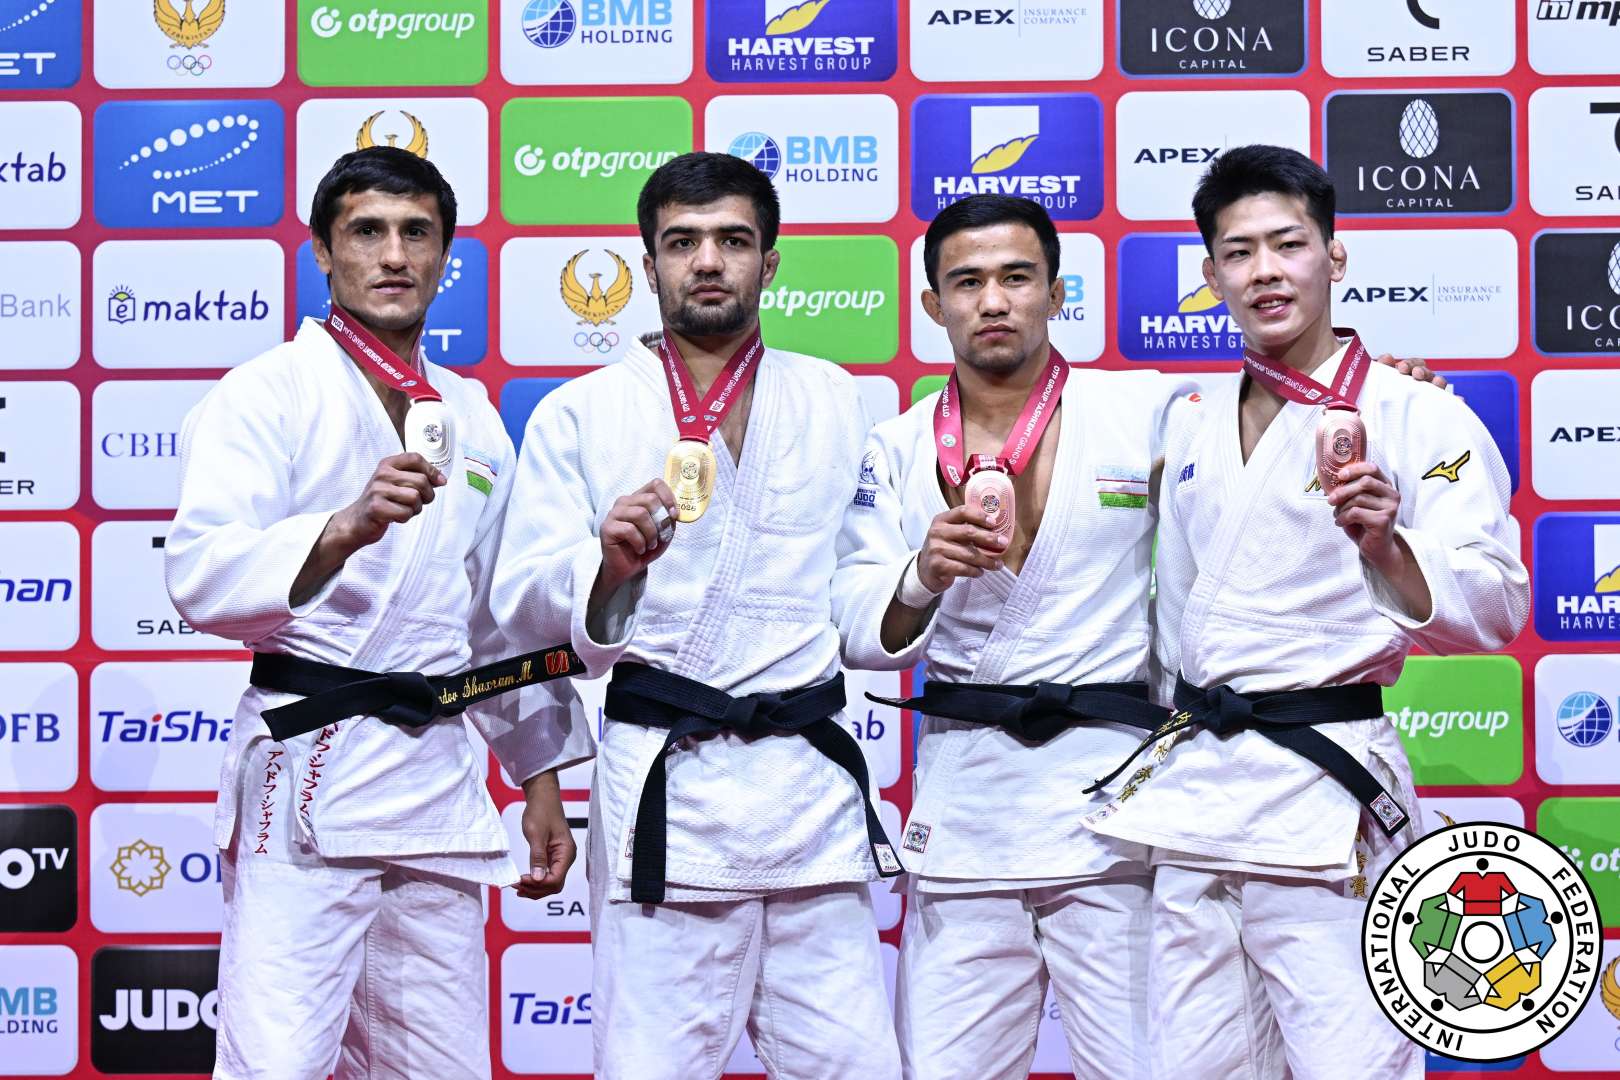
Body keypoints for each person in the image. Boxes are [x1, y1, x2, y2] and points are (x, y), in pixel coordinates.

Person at [1083, 145, 1530, 1079]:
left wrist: (1389, 545)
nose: (1265, 271)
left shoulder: (1419, 416)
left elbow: (1497, 606)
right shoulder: (1190, 418)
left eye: (1288, 244)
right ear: (1210, 277)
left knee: (1353, 1067)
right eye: (1238, 253)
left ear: (1335, 256)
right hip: (1196, 801)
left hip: (1327, 807)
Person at [165, 147, 592, 1080]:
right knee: (277, 1063)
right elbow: (200, 575)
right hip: (308, 772)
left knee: (437, 1065)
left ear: (445, 256)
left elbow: (496, 622)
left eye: (417, 234)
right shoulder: (265, 393)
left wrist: (542, 778)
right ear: (324, 251)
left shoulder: (473, 417)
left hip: (435, 785)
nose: (394, 254)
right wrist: (342, 529)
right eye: (368, 232)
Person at [491, 152, 902, 1080]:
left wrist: (917, 584)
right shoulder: (580, 412)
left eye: (732, 240)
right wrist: (607, 564)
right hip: (666, 802)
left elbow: (860, 588)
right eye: (682, 243)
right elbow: (519, 600)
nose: (707, 261)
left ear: (771, 261)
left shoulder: (838, 398)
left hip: (810, 805)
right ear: (649, 266)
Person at [833, 194, 1189, 1079]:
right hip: (969, 819)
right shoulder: (899, 445)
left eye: (1015, 278)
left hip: (1111, 814)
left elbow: (1271, 436)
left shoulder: (1143, 409)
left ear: (1056, 292)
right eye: (967, 281)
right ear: (931, 306)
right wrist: (923, 574)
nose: (993, 300)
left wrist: (1392, 393)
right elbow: (858, 633)